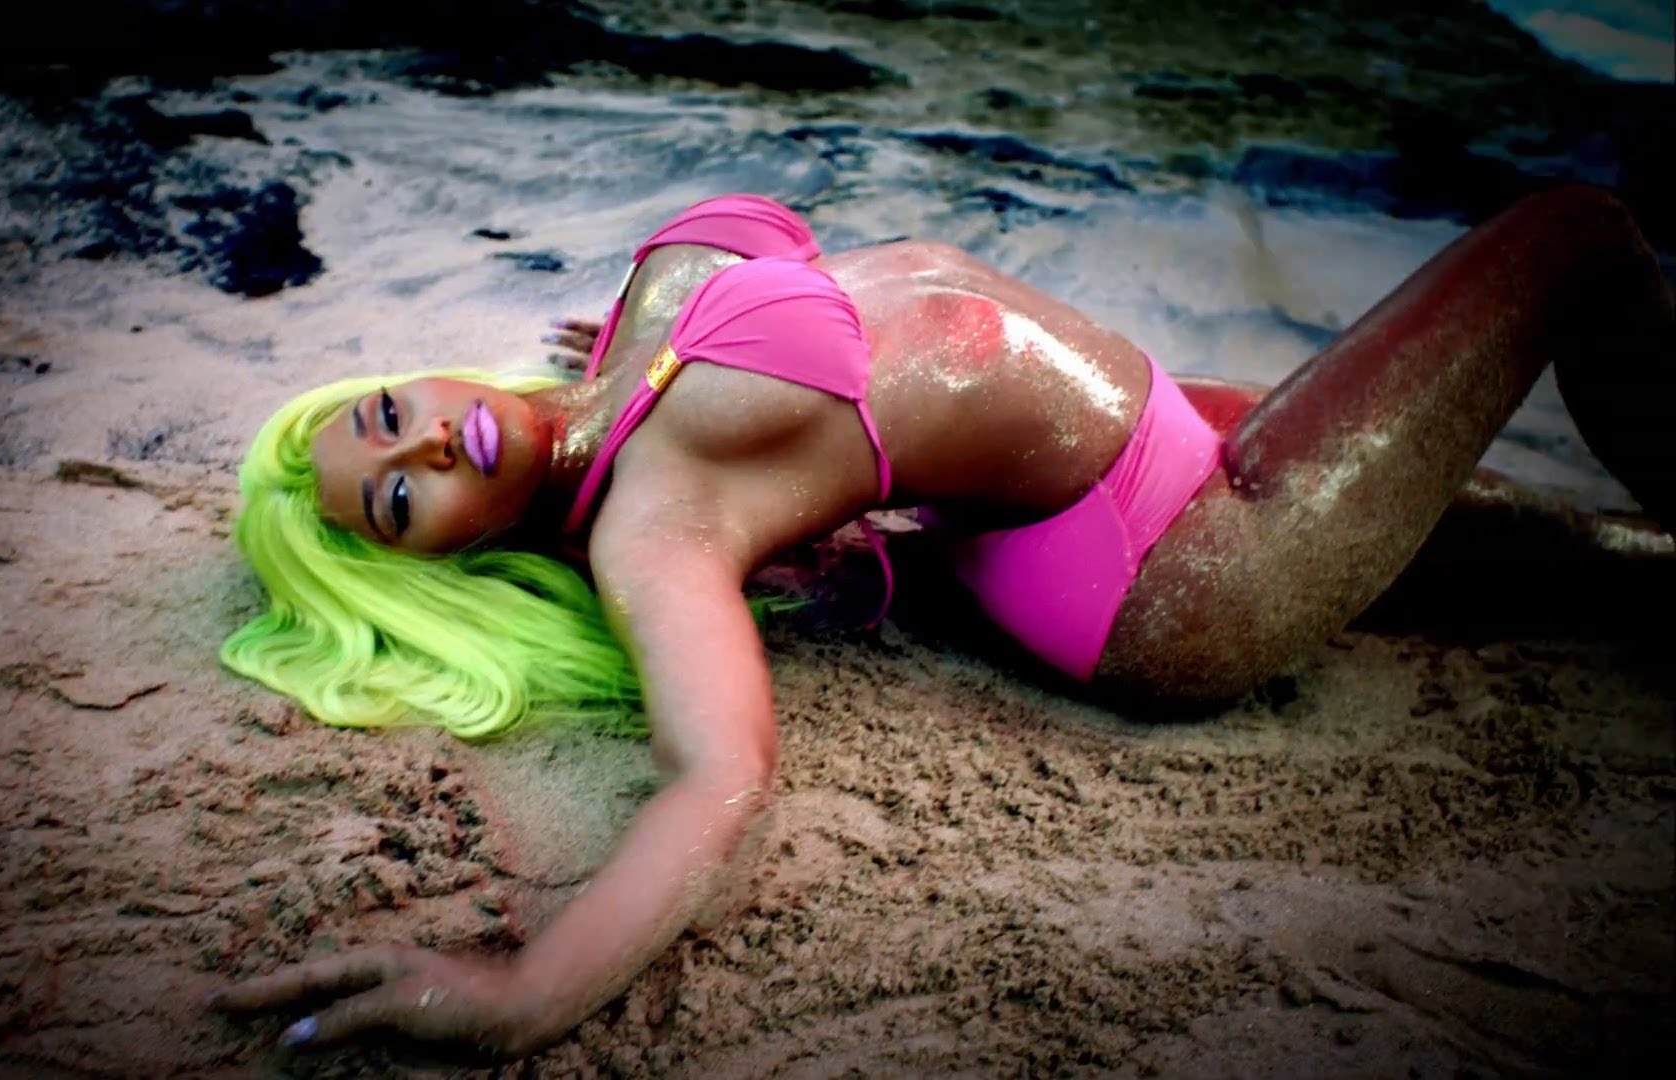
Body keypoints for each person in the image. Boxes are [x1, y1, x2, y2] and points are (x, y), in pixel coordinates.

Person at [205, 187, 1673, 1059]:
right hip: (1186, 560)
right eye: (397, 502)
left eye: (384, 416)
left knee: (1595, 559)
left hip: (1143, 436)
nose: (422, 447)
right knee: (1579, 237)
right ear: (449, 554)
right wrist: (527, 991)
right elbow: (719, 780)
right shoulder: (653, 527)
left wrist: (644, 366)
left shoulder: (623, 357)